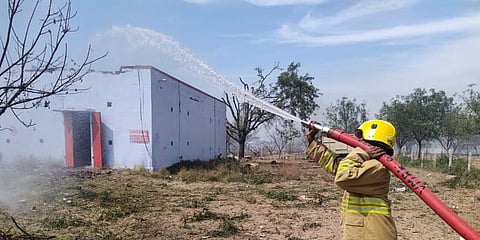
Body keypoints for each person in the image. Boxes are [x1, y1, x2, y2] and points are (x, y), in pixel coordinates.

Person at [305, 119, 397, 240]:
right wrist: (312, 142)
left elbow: (343, 177)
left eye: (360, 141)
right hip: (363, 231)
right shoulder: (365, 162)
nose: (356, 145)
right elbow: (337, 165)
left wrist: (361, 153)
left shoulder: (378, 166)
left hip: (371, 234)